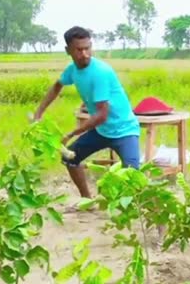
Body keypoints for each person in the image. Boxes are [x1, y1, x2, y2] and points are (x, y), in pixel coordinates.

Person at [33, 26, 141, 200]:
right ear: (68, 50)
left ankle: (157, 220)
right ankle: (87, 200)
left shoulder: (100, 72)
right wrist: (39, 113)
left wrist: (71, 133)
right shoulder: (72, 70)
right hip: (102, 132)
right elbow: (57, 86)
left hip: (124, 131)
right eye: (78, 50)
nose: (84, 54)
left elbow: (101, 115)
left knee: (135, 176)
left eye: (87, 48)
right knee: (69, 158)